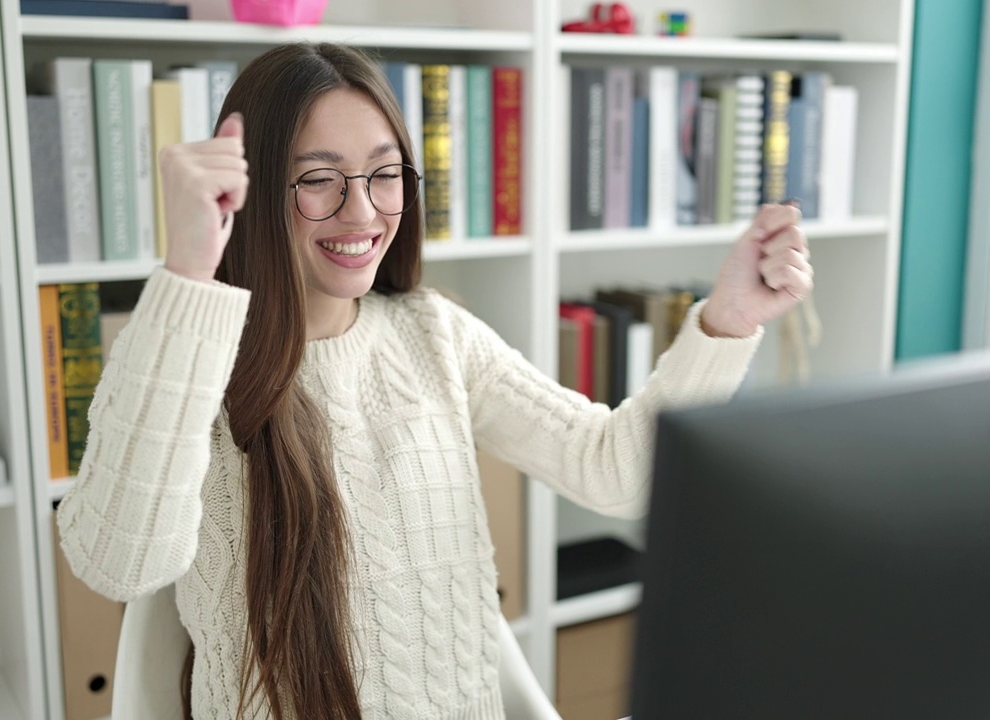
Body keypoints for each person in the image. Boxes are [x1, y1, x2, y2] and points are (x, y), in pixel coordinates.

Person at [56, 42, 813, 720]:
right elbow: (120, 563)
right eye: (319, 180)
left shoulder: (431, 332)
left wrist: (729, 320)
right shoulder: (185, 358)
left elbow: (617, 471)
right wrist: (190, 269)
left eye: (385, 175)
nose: (362, 212)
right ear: (251, 195)